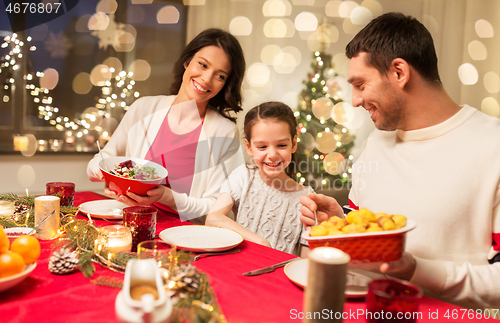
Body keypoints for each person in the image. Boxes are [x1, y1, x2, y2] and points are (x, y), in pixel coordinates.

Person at [300, 12, 500, 309]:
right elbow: (373, 233)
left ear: (399, 72)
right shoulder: (377, 142)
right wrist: (341, 225)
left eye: (360, 84)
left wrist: (416, 270)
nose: (354, 100)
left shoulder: (493, 145)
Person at [87, 28, 246, 224]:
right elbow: (103, 158)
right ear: (187, 61)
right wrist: (105, 175)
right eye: (202, 65)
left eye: (220, 76)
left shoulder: (225, 134)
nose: (207, 78)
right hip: (130, 223)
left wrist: (165, 196)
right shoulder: (143, 108)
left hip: (186, 237)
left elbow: (217, 210)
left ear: (226, 84)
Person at [206, 102, 314, 256]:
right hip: (238, 268)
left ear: (294, 144)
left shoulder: (307, 197)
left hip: (277, 277)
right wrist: (261, 243)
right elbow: (213, 219)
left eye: (281, 145)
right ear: (249, 147)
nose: (272, 154)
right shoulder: (244, 176)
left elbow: (306, 260)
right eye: (262, 147)